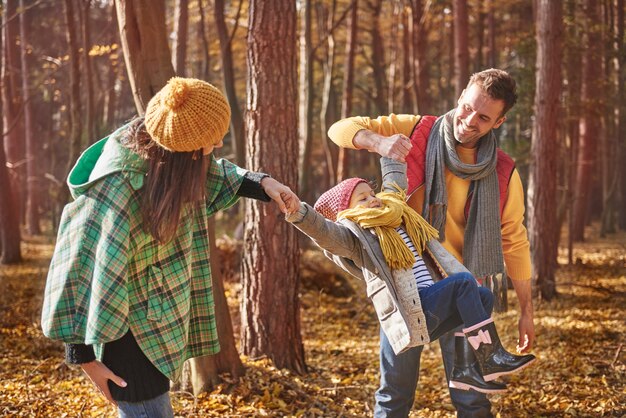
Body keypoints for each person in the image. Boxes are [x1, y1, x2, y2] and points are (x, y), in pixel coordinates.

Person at [41, 77, 299, 417]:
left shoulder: (169, 158)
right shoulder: (118, 187)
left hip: (160, 319)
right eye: (211, 141)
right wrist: (84, 358)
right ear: (187, 149)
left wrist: (263, 183)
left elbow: (216, 175)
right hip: (128, 339)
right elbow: (80, 268)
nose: (219, 143)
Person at [327, 68, 534, 417]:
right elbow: (340, 129)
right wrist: (378, 142)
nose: (469, 121)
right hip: (406, 286)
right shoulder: (416, 130)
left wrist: (527, 311)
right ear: (460, 97)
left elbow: (513, 240)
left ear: (499, 122)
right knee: (395, 394)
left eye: (484, 118)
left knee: (472, 398)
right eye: (467, 108)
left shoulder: (502, 170)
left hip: (464, 293)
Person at [285, 157, 535, 398]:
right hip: (410, 309)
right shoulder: (355, 237)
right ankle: (490, 356)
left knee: (482, 295)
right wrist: (300, 214)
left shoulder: (396, 215)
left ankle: (465, 369)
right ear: (346, 212)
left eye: (371, 193)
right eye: (362, 199)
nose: (373, 200)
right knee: (462, 283)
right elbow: (325, 232)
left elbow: (395, 185)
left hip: (429, 303)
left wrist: (391, 154)